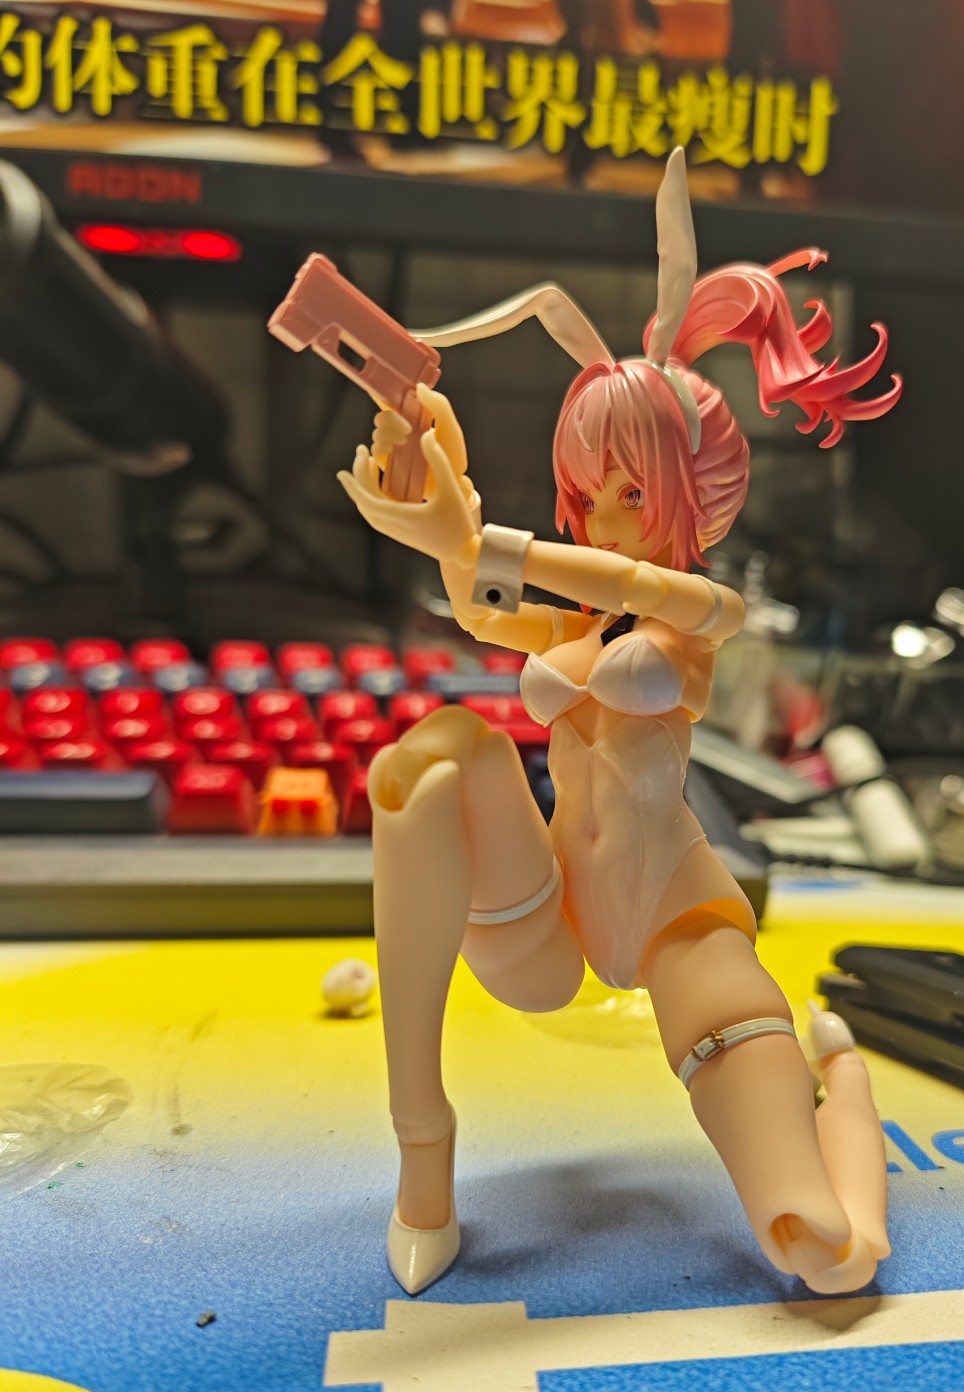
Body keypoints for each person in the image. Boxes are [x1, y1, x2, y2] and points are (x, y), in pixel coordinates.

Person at [338, 149, 900, 1296]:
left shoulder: (700, 613)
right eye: (588, 487)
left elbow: (638, 603)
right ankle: (421, 1151)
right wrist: (440, 476)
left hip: (677, 922)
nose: (601, 513)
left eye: (631, 490)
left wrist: (487, 542)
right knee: (430, 761)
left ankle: (845, 1087)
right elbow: (481, 606)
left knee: (827, 1252)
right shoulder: (579, 614)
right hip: (547, 913)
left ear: (697, 492)